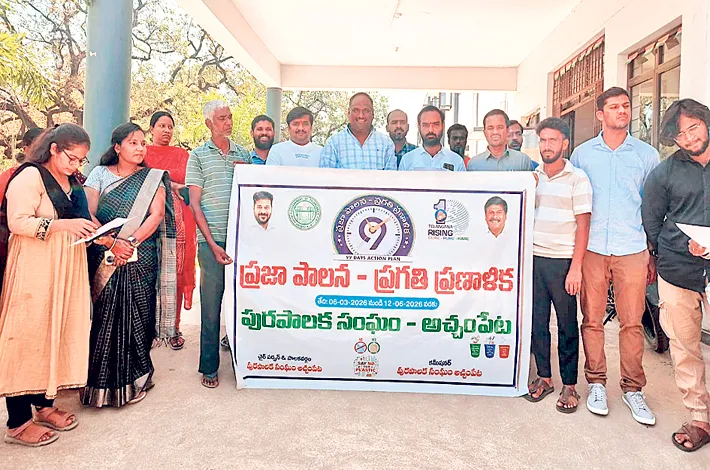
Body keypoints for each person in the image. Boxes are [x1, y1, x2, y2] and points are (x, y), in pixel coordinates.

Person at [0, 124, 97, 446]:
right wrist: (63, 226)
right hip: (34, 267)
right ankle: (17, 422)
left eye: (81, 160)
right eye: (71, 158)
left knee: (56, 331)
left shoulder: (71, 181)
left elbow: (80, 219)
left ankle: (44, 405)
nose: (76, 165)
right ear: (53, 149)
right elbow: (18, 222)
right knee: (27, 336)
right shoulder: (29, 176)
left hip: (66, 267)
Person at [570, 86, 659, 425]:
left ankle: (633, 389)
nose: (622, 111)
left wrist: (651, 251)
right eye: (614, 107)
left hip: (632, 248)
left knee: (632, 322)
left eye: (626, 106)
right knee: (592, 320)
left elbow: (653, 206)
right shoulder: (582, 155)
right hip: (592, 248)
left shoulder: (646, 155)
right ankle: (596, 383)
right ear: (600, 115)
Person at [81, 122, 176, 408]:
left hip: (140, 254)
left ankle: (137, 377)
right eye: (133, 142)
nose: (140, 148)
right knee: (103, 318)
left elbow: (156, 214)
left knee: (139, 313)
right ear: (117, 147)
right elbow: (88, 212)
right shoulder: (99, 174)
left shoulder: (153, 178)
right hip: (104, 252)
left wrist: (129, 242)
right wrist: (112, 242)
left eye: (142, 143)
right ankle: (99, 385)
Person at [642, 98, 710, 451]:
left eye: (693, 128)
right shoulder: (664, 173)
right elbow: (652, 221)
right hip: (678, 271)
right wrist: (680, 246)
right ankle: (699, 418)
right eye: (681, 134)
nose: (689, 138)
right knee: (684, 347)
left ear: (706, 123)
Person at [525, 117, 592, 414]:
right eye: (543, 140)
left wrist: (576, 267)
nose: (547, 146)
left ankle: (569, 384)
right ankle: (545, 377)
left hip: (563, 261)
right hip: (534, 259)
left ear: (565, 143)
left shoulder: (578, 178)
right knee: (537, 322)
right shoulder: (533, 177)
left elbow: (583, 226)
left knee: (566, 325)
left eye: (553, 140)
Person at [186, 100, 250, 388]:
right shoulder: (198, 156)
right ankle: (209, 367)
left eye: (230, 117)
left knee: (243, 305)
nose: (228, 122)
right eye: (222, 118)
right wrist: (212, 244)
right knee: (211, 307)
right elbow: (195, 204)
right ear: (209, 123)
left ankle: (243, 363)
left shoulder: (243, 154)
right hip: (211, 242)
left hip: (241, 240)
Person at [144, 111, 197, 351]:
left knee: (175, 273)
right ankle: (149, 329)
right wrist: (172, 184)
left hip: (178, 224)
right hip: (148, 220)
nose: (166, 130)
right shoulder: (142, 152)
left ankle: (173, 328)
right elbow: (141, 180)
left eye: (170, 126)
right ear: (152, 129)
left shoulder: (182, 154)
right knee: (149, 274)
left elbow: (189, 183)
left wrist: (171, 184)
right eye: (161, 126)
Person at [319, 92, 396, 170]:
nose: (361, 115)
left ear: (373, 114)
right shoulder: (333, 143)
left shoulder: (386, 143)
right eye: (356, 110)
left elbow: (391, 176)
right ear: (348, 113)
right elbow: (325, 176)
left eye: (366, 111)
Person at [398, 106, 465, 172]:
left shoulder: (457, 161)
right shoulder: (407, 160)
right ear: (419, 127)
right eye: (425, 125)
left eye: (435, 124)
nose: (430, 130)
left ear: (443, 125)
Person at [467, 109, 534, 171]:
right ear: (485, 133)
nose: (495, 132)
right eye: (490, 128)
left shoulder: (523, 161)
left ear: (507, 131)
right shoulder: (474, 164)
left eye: (500, 127)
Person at [0, 127, 43, 200]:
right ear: (26, 149)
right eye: (40, 149)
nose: (44, 153)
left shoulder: (55, 176)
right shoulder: (8, 177)